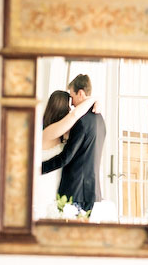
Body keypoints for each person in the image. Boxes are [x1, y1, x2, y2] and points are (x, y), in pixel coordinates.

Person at [42, 74, 107, 214]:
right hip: (90, 189)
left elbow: (66, 157)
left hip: (75, 188)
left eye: (72, 96)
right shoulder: (100, 119)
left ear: (81, 93)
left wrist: (38, 169)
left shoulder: (81, 121)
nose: (71, 105)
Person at [36, 90, 98, 218]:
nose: (71, 110)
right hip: (44, 184)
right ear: (61, 108)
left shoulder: (62, 133)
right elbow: (74, 116)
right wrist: (93, 99)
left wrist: (96, 103)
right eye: (69, 107)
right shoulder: (49, 131)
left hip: (57, 184)